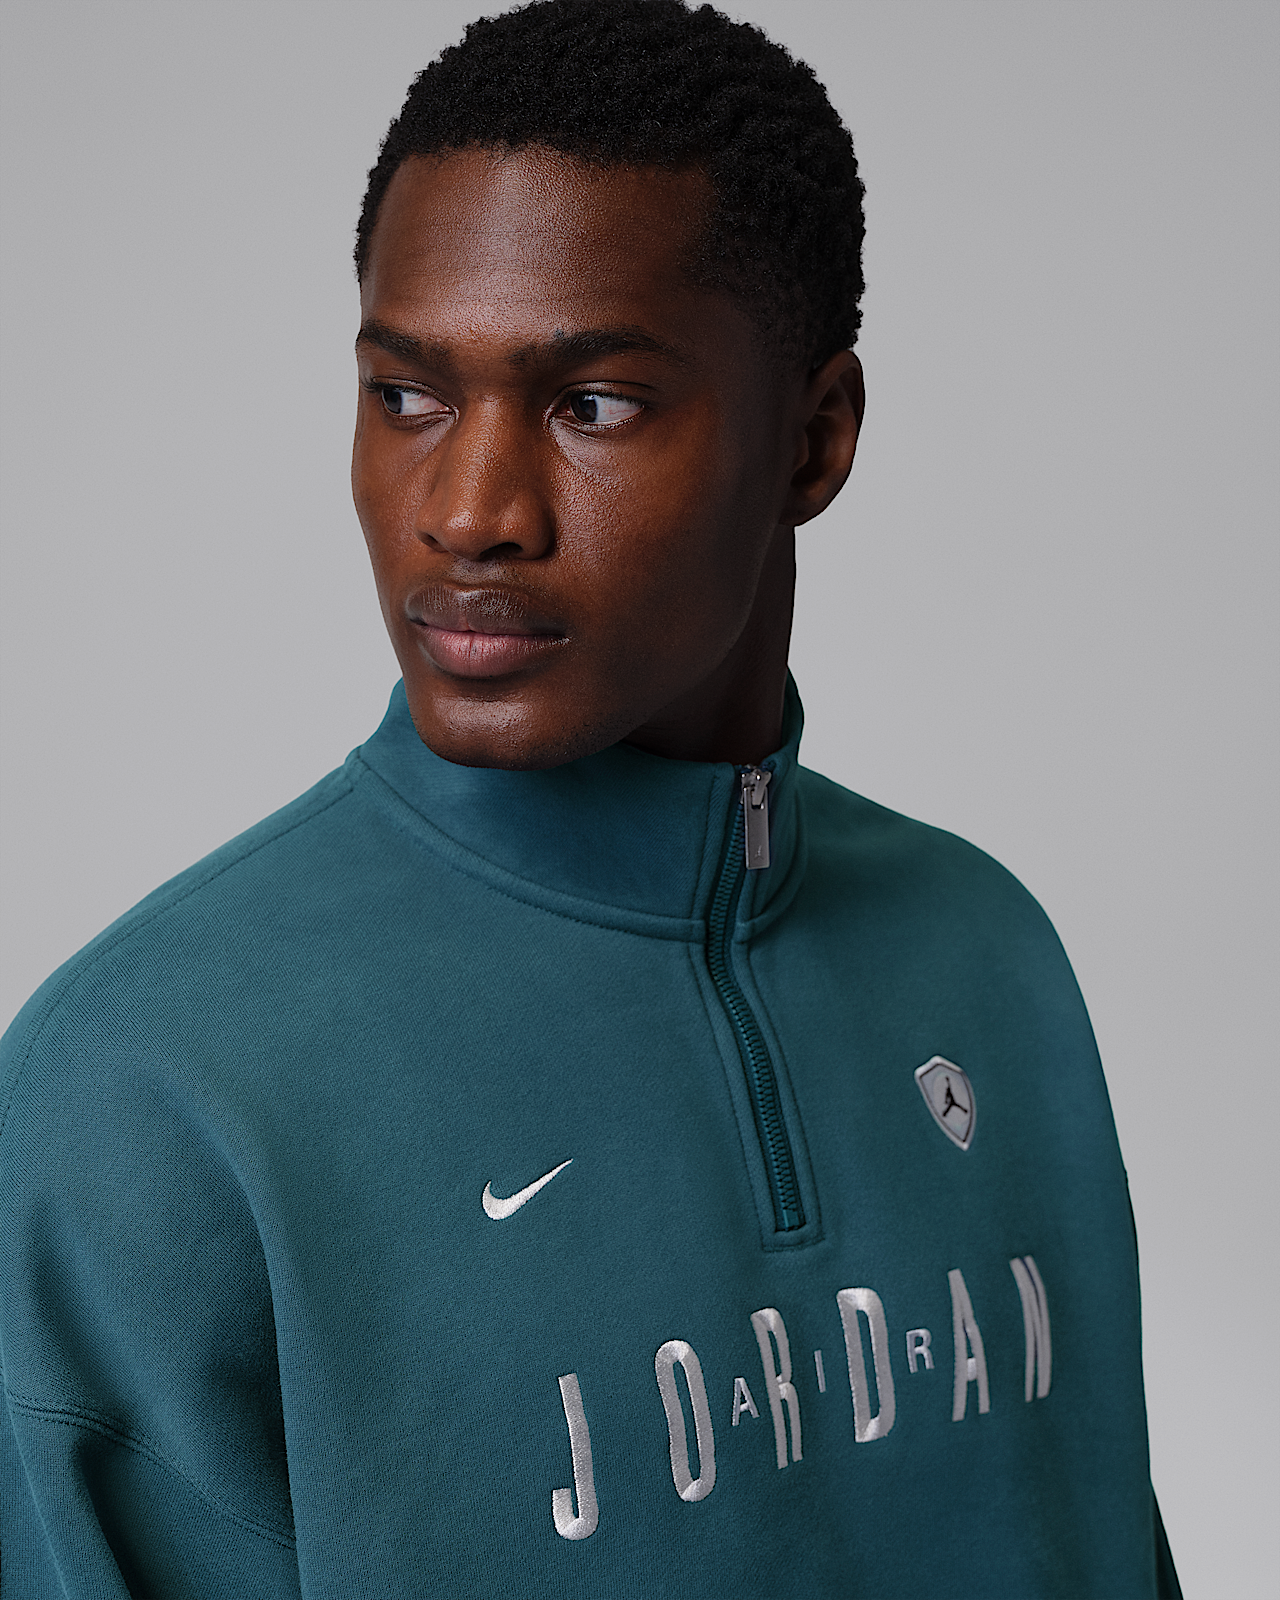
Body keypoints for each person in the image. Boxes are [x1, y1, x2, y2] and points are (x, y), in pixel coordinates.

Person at [0, 1, 1181, 1593]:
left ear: (814, 440)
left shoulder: (991, 955)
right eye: (408, 396)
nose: (470, 512)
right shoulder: (141, 1091)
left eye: (593, 404)